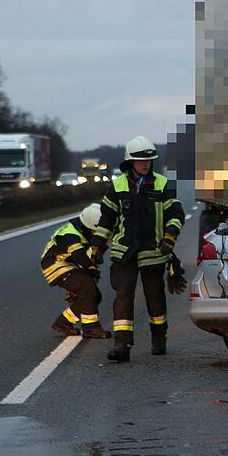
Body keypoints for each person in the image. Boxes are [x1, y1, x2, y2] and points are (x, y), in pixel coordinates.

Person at [89, 136, 184, 362]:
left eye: (149, 160)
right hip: (124, 252)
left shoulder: (163, 184)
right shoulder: (118, 185)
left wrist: (170, 237)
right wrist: (97, 247)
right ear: (130, 162)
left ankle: (159, 339)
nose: (146, 164)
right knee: (123, 296)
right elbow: (107, 219)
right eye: (141, 161)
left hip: (153, 252)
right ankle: (122, 346)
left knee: (155, 298)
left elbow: (176, 215)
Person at [40, 203, 110, 339]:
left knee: (94, 295)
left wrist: (93, 275)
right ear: (91, 227)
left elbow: (90, 264)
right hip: (56, 264)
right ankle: (91, 329)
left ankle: (63, 323)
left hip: (71, 265)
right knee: (87, 287)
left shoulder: (85, 232)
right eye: (99, 231)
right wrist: (97, 247)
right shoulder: (70, 236)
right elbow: (83, 259)